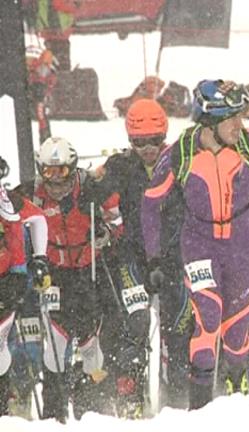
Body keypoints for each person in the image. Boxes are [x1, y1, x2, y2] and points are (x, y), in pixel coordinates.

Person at [142, 79, 249, 410]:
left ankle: (236, 390)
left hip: (237, 249)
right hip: (195, 249)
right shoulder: (180, 151)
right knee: (206, 319)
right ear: (211, 121)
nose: (239, 125)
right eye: (232, 118)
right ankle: (198, 407)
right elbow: (150, 203)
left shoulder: (247, 144)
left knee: (236, 337)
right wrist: (153, 259)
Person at [90, 98, 190, 414]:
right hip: (133, 257)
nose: (148, 149)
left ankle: (177, 399)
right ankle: (130, 395)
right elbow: (89, 199)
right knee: (136, 323)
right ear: (129, 139)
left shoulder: (180, 160)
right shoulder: (120, 166)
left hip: (174, 257)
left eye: (155, 141)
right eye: (139, 142)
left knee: (179, 327)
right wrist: (99, 224)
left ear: (165, 135)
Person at [15, 137, 122, 421]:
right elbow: (9, 214)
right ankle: (53, 413)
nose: (55, 180)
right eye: (48, 171)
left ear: (72, 168)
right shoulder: (32, 193)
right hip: (54, 273)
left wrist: (106, 234)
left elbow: (118, 219)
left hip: (89, 271)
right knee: (56, 342)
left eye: (62, 171)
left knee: (91, 344)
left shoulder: (91, 187)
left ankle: (94, 408)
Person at [0, 160, 50, 418]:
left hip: (11, 278)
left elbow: (37, 218)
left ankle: (15, 395)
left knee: (12, 344)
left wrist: (39, 258)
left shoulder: (8, 201)